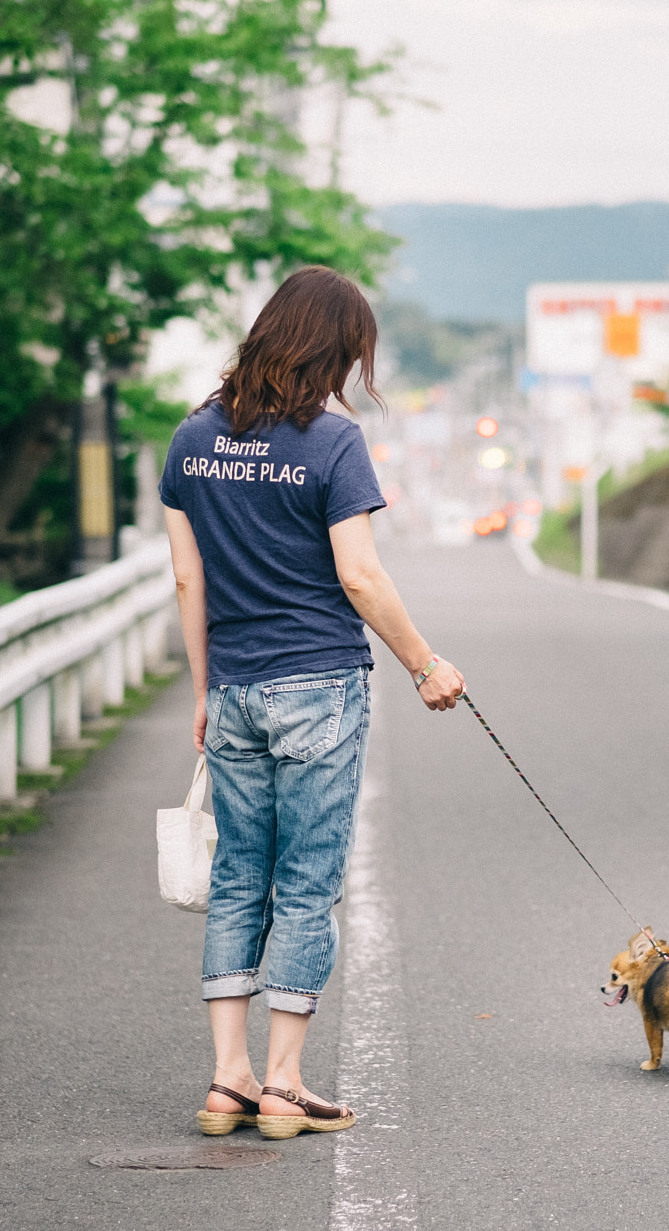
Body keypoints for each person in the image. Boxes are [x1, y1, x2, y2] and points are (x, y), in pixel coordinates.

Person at [161, 265, 467, 1140]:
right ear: (331, 349)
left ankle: (229, 1081)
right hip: (319, 687)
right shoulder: (331, 443)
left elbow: (189, 577)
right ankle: (286, 1088)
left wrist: (204, 692)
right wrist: (425, 665)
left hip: (234, 691)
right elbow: (360, 575)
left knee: (236, 879)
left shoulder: (191, 439)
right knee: (305, 884)